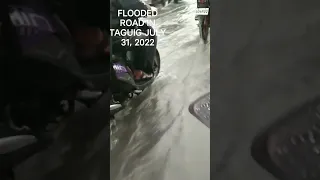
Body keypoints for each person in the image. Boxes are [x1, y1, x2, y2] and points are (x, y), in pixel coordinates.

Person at [111, 0, 158, 80]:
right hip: (115, 37)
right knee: (144, 37)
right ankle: (138, 72)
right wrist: (148, 9)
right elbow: (134, 6)